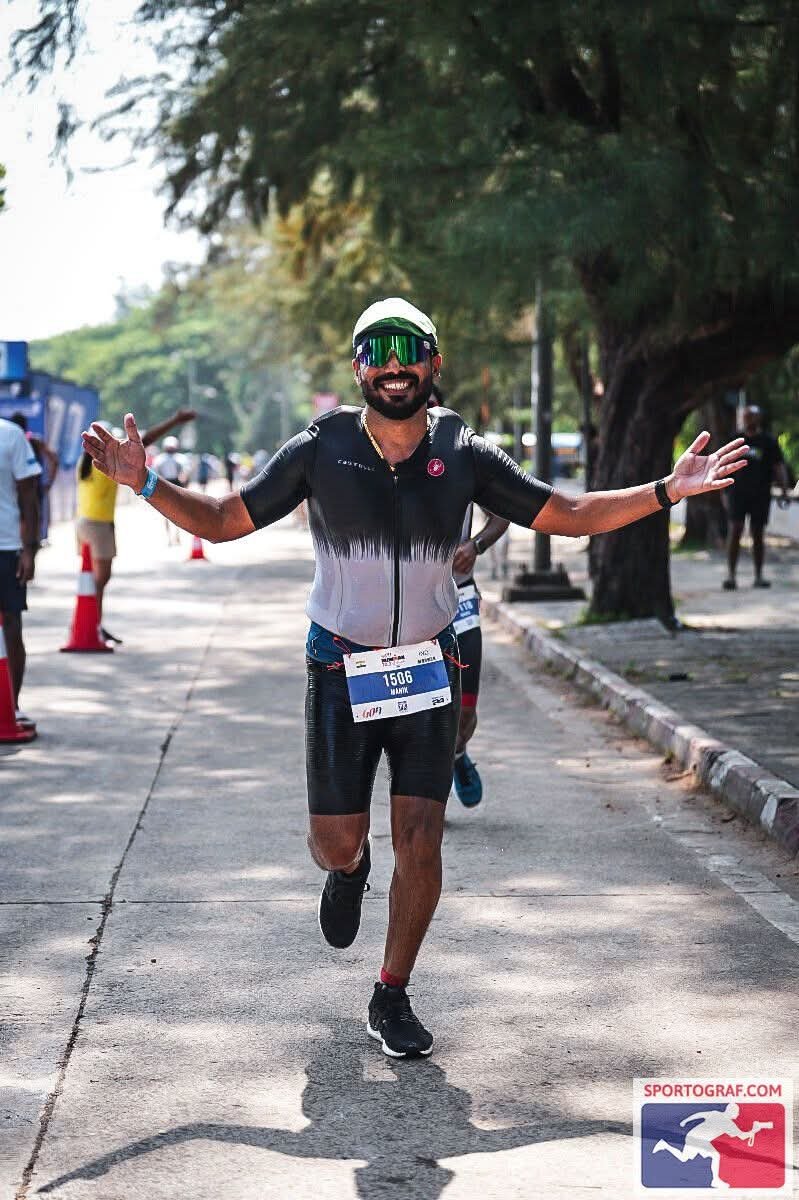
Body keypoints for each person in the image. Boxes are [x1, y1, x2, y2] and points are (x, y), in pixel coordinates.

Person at [81, 296, 749, 1059]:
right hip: (340, 664)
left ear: (433, 363)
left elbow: (566, 512)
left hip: (428, 667)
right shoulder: (322, 446)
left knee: (422, 839)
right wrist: (147, 483)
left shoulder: (463, 449)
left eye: (409, 350)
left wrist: (666, 490)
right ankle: (349, 870)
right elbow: (226, 518)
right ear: (357, 368)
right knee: (334, 841)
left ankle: (391, 991)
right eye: (378, 351)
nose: (393, 365)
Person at [428, 386, 509, 808]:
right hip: (408, 607)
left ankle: (458, 752)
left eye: (430, 404)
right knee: (416, 710)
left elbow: (502, 515)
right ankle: (425, 784)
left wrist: (475, 545)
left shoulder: (461, 456)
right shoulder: (381, 459)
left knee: (464, 711)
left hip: (459, 597)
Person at [76, 410, 196, 644]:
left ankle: (92, 624)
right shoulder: (101, 464)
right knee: (99, 580)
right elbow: (145, 441)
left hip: (84, 523)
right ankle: (94, 625)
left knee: (92, 579)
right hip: (99, 525)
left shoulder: (84, 465)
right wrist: (173, 420)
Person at [0, 415, 41, 728]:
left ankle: (11, 706)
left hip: (6, 546)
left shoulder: (10, 435)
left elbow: (29, 496)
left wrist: (29, 549)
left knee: (12, 624)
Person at [723, 405, 790, 590]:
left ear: (759, 418)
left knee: (757, 533)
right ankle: (731, 576)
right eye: (746, 416)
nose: (749, 419)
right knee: (735, 530)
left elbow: (779, 466)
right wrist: (723, 491)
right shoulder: (735, 440)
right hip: (737, 493)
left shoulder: (768, 441)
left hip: (760, 494)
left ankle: (759, 576)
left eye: (752, 416)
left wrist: (784, 490)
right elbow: (723, 465)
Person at [10, 413, 59, 544]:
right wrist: (49, 483)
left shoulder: (11, 443)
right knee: (31, 529)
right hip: (32, 490)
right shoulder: (34, 441)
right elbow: (54, 459)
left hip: (15, 490)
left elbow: (54, 460)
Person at [153, 434, 191, 546]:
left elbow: (185, 472)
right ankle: (170, 537)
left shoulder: (180, 458)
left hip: (175, 485)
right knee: (166, 513)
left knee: (178, 512)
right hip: (166, 485)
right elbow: (156, 473)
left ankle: (176, 535)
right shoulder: (160, 459)